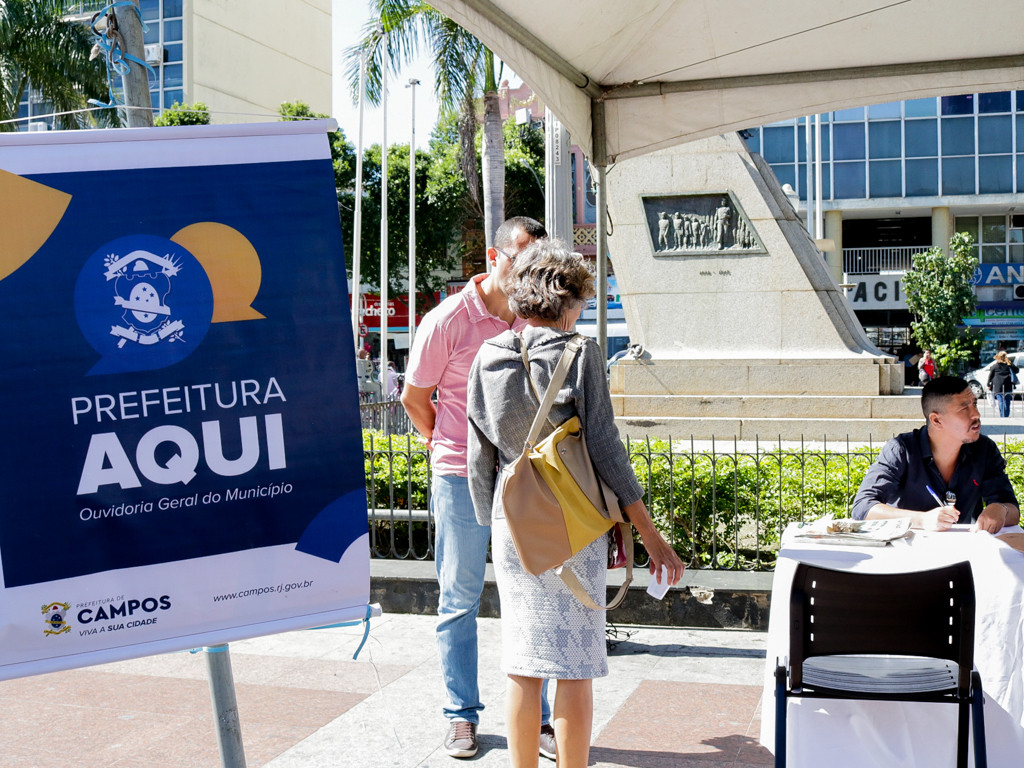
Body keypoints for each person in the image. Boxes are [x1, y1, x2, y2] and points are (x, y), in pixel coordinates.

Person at [466, 239, 685, 768]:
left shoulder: (486, 356)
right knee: (574, 663)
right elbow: (605, 447)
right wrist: (649, 534)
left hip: (513, 521)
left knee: (523, 660)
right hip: (574, 521)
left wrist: (492, 521)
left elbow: (479, 454)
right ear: (565, 301)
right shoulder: (578, 352)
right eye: (581, 302)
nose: (581, 311)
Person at [400, 216, 556, 759]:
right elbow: (416, 401)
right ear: (494, 257)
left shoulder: (535, 321)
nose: (528, 275)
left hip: (521, 478)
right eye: (521, 262)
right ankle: (461, 716)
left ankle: (536, 720)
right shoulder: (446, 321)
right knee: (459, 599)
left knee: (532, 595)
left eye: (537, 265)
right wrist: (445, 446)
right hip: (460, 477)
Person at [851, 376, 1020, 532]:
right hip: (906, 551)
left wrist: (1001, 509)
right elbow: (863, 507)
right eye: (964, 409)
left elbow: (1012, 510)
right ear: (936, 420)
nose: (976, 414)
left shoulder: (984, 449)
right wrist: (922, 520)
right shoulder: (902, 450)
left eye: (974, 404)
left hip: (964, 551)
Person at [987, 349, 1018, 418]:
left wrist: (988, 384)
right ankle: (1006, 416)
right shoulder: (1009, 365)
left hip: (998, 386)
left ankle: (1003, 416)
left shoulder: (995, 366)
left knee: (1001, 401)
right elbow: (1017, 370)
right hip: (1008, 386)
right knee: (1007, 402)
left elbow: (990, 376)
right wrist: (1009, 363)